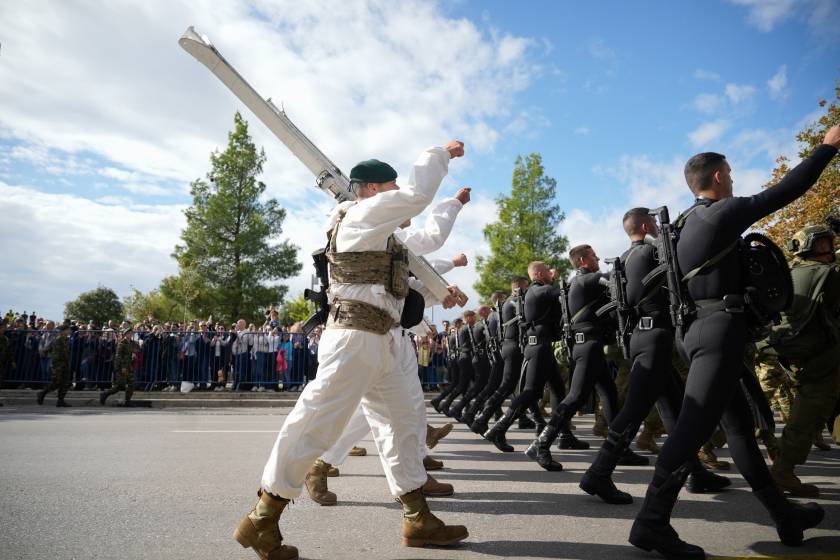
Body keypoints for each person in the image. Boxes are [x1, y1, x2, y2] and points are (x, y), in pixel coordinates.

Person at [234, 142, 468, 560]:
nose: (398, 194)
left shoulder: (383, 235)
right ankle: (262, 517)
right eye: (391, 186)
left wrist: (438, 292)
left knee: (402, 426)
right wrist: (439, 154)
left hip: (385, 342)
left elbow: (397, 283)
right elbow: (416, 195)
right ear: (373, 190)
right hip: (355, 338)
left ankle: (417, 516)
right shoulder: (359, 216)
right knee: (315, 422)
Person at [628, 126, 839, 560]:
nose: (734, 180)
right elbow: (787, 190)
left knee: (739, 427)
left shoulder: (685, 223)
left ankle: (784, 515)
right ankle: (651, 522)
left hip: (699, 331)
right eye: (731, 173)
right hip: (718, 331)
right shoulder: (720, 214)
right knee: (691, 427)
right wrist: (828, 147)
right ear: (720, 177)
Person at [579, 208, 729, 505]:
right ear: (647, 225)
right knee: (635, 409)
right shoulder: (654, 251)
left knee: (673, 410)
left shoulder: (624, 259)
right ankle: (599, 472)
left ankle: (695, 472)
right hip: (656, 337)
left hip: (641, 337)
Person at [526, 249, 646, 470]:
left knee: (609, 394)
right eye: (593, 256)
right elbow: (616, 280)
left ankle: (621, 449)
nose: (598, 259)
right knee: (575, 397)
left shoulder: (577, 282)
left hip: (590, 345)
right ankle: (541, 444)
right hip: (588, 346)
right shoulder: (589, 278)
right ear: (582, 260)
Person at [761, 224, 840, 497]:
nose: (828, 250)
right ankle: (782, 470)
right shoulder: (824, 275)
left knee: (810, 412)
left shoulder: (789, 275)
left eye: (829, 243)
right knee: (807, 414)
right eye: (822, 244)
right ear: (806, 246)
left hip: (799, 357)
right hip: (823, 360)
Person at [485, 263, 585, 458]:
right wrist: (557, 279)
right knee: (531, 392)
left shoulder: (534, 291)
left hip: (539, 345)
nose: (551, 272)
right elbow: (568, 295)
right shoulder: (542, 289)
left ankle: (564, 434)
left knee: (557, 389)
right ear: (539, 274)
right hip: (539, 347)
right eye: (548, 270)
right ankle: (498, 428)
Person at [471, 277, 529, 436]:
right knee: (505, 386)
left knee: (512, 387)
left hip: (502, 351)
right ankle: (479, 417)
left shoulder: (496, 313)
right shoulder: (502, 310)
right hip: (506, 350)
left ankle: (482, 417)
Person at [36, 321, 74, 407]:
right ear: (63, 331)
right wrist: (50, 357)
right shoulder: (57, 340)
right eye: (68, 330)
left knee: (65, 383)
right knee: (56, 382)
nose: (69, 331)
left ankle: (60, 400)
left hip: (64, 363)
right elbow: (47, 349)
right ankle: (42, 393)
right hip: (58, 364)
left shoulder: (66, 340)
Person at [100, 328, 140, 406]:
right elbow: (118, 356)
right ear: (125, 334)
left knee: (131, 385)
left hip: (129, 367)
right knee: (119, 386)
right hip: (122, 367)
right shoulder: (121, 343)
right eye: (128, 333)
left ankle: (127, 401)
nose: (130, 335)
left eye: (131, 333)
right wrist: (122, 367)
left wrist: (135, 352)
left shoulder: (132, 343)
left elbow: (138, 349)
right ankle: (104, 394)